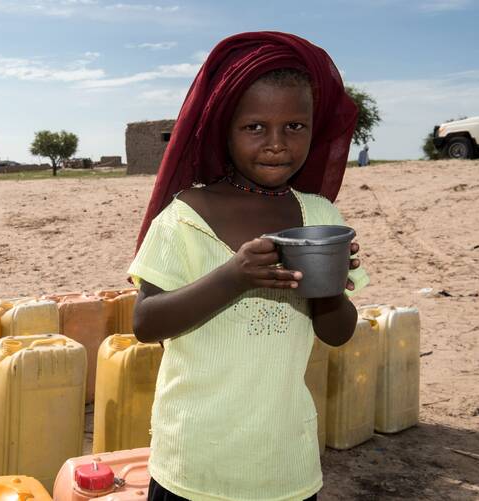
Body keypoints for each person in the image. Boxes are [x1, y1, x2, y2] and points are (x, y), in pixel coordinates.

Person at [128, 32, 370, 501]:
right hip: (193, 462)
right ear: (225, 129)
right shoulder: (185, 216)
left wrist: (329, 288)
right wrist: (233, 276)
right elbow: (145, 322)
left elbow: (338, 333)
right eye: (255, 127)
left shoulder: (320, 216)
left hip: (283, 462)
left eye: (295, 127)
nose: (277, 144)